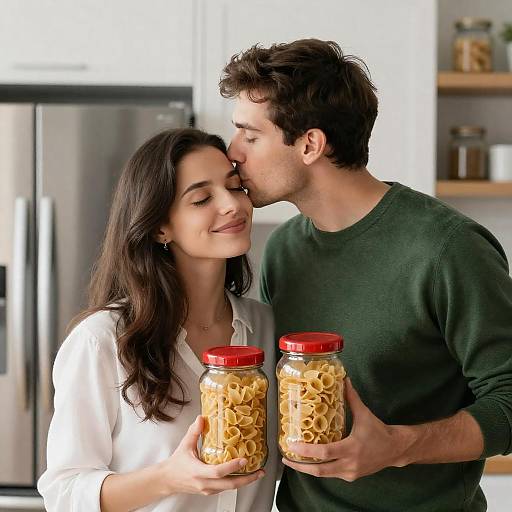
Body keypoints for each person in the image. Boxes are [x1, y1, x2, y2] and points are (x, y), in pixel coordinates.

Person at [219, 38, 512, 512]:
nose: (233, 153)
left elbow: (509, 399)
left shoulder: (447, 249)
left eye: (250, 136)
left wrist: (398, 446)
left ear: (310, 144)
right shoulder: (283, 250)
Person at [37, 128, 279, 512]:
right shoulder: (101, 341)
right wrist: (169, 477)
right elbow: (64, 492)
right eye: (202, 198)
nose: (232, 205)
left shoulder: (267, 329)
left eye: (234, 187)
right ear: (159, 227)